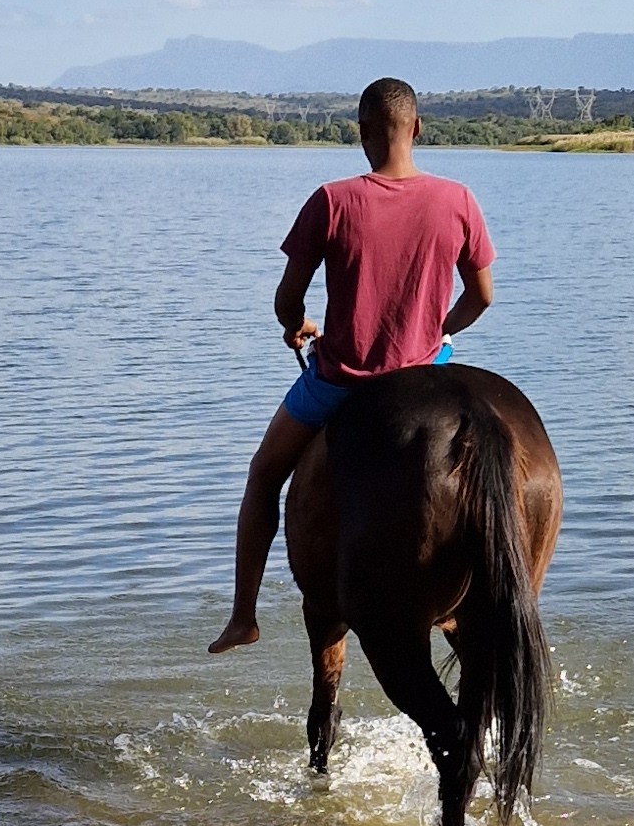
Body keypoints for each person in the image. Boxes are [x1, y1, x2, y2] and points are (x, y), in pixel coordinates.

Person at [208, 75, 496, 652]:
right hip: (426, 370)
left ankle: (244, 616)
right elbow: (482, 296)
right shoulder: (458, 199)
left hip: (343, 380)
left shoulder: (333, 200)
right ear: (416, 128)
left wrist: (296, 325)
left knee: (263, 474)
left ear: (361, 132)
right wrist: (439, 329)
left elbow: (287, 300)